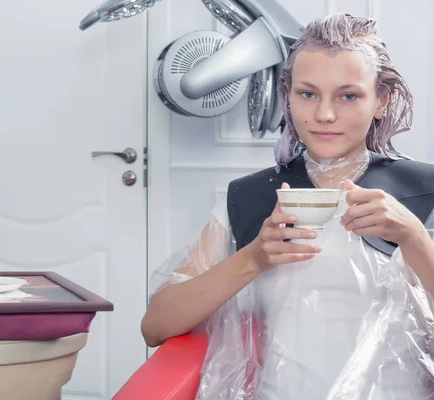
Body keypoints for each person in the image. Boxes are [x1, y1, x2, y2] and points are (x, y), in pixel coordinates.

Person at [141, 13, 434, 400]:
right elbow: (156, 326)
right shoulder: (251, 199)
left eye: (348, 96)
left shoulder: (424, 192)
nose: (324, 115)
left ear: (381, 101)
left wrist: (414, 238)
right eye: (307, 94)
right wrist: (254, 258)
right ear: (288, 97)